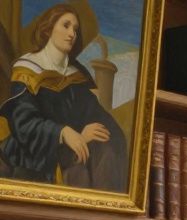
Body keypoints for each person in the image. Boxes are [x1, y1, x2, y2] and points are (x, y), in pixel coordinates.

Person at [0, 4, 127, 191]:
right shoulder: (27, 68)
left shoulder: (77, 75)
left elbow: (94, 113)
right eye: (66, 25)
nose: (72, 34)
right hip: (33, 152)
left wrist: (92, 133)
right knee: (78, 173)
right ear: (48, 28)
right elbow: (24, 124)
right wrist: (63, 133)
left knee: (107, 150)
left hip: (72, 149)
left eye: (75, 29)